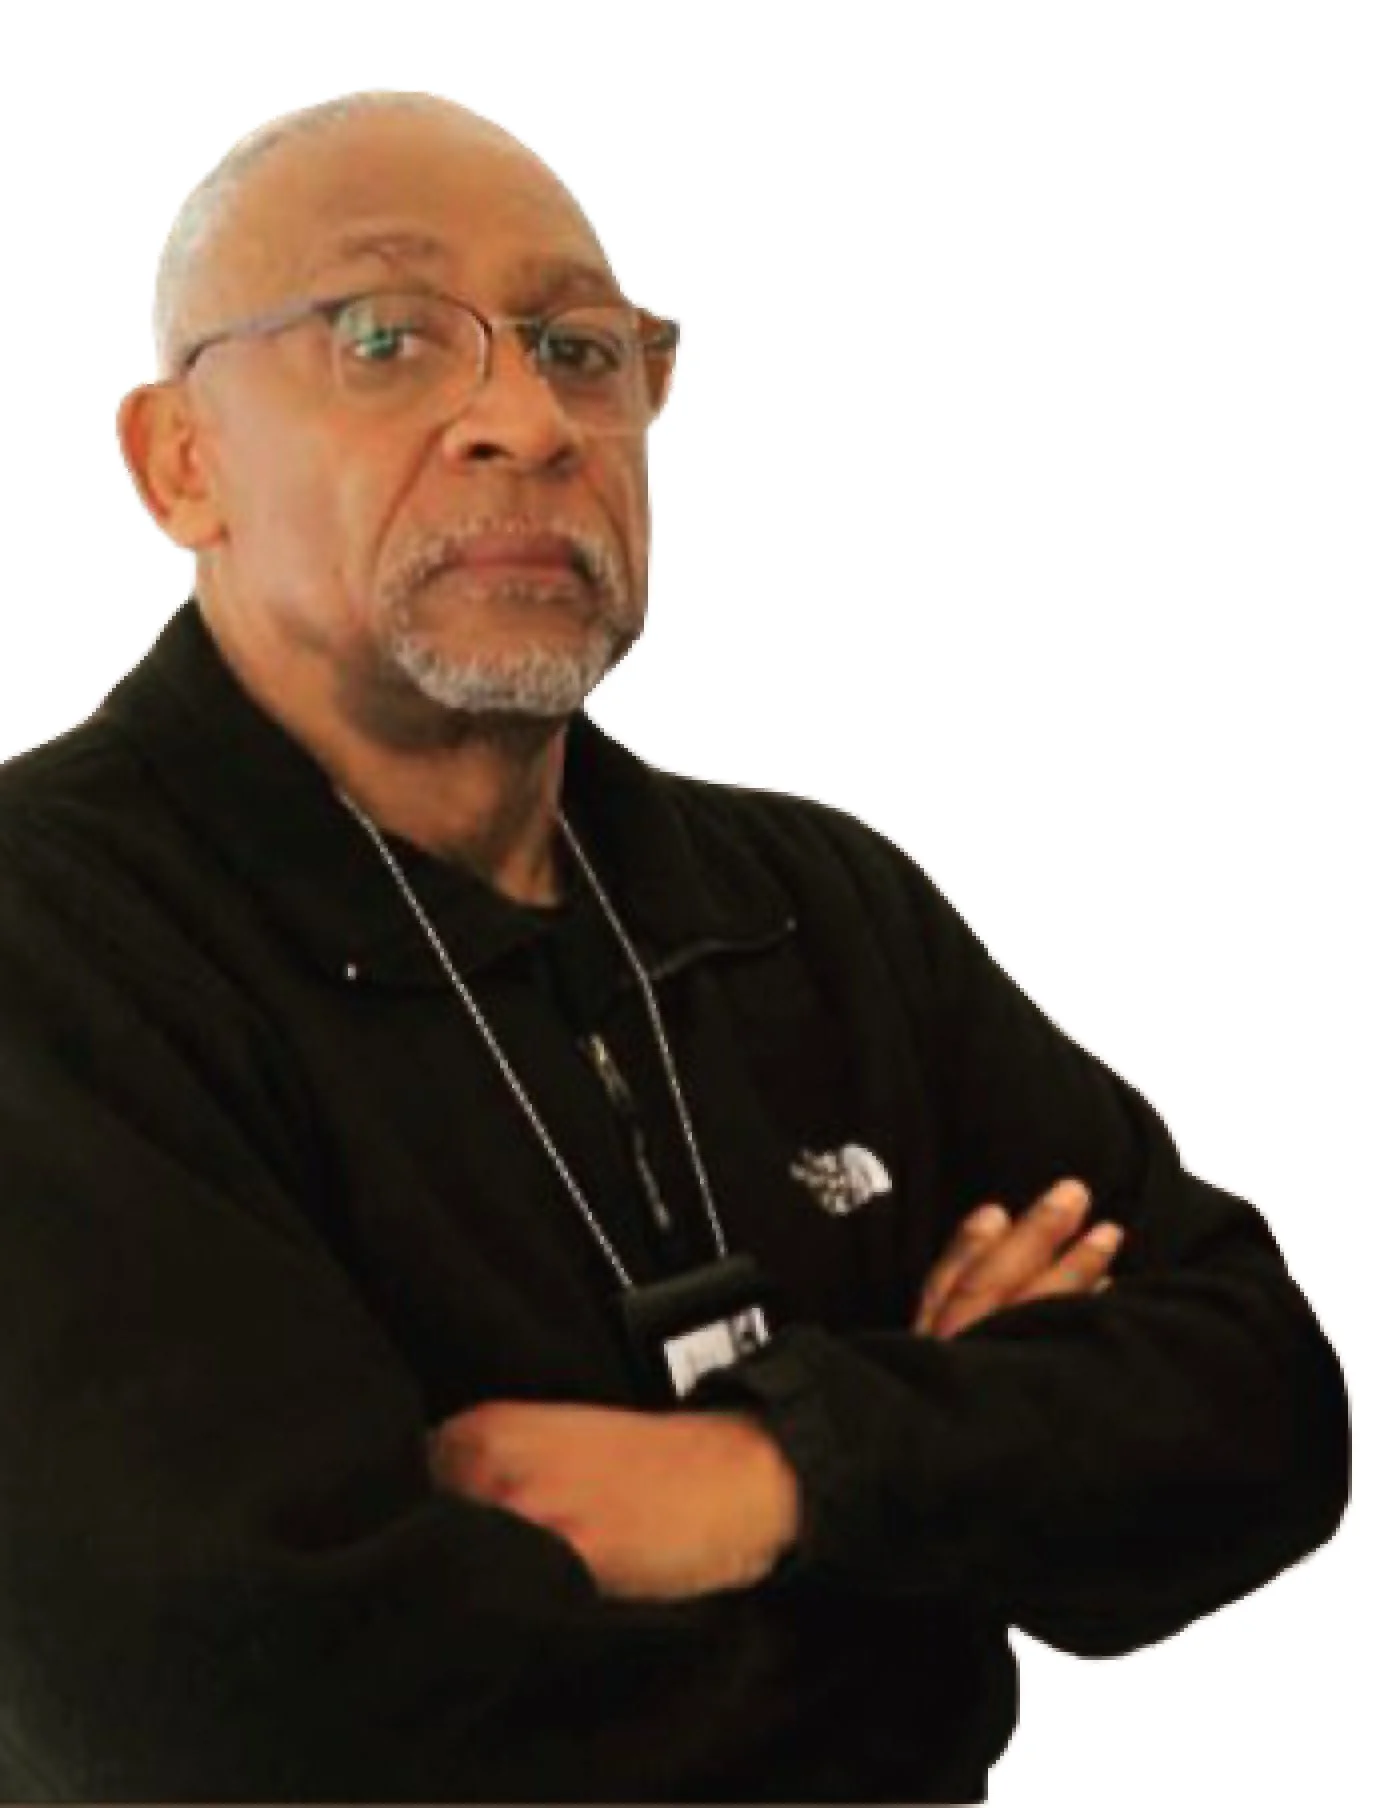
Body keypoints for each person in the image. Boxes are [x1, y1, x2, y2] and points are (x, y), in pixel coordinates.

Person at [0, 88, 1350, 1806]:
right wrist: (947, 1555)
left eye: (582, 351)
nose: (527, 421)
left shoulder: (811, 904)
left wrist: (769, 1483)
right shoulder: (54, 943)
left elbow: (1264, 1410)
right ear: (180, 461)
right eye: (386, 337)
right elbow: (243, 1725)